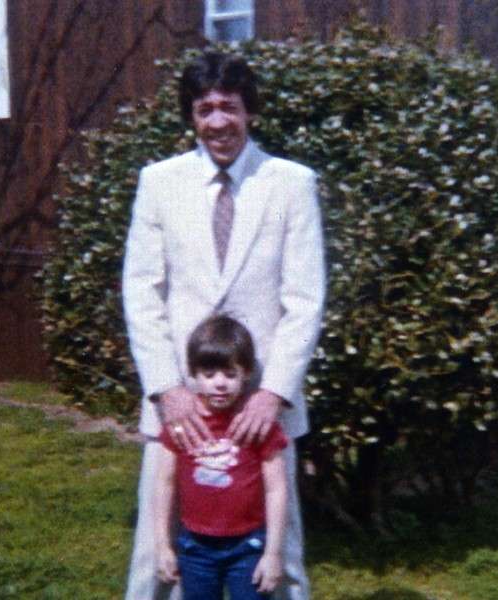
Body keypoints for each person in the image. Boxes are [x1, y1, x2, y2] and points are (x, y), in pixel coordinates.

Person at [122, 50, 325, 600]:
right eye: (204, 109)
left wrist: (273, 394)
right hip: (181, 404)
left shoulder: (290, 183)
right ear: (191, 116)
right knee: (157, 554)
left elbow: (305, 299)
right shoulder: (160, 182)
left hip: (259, 405)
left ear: (249, 111)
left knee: (279, 557)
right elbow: (142, 292)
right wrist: (167, 390)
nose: (217, 122)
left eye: (229, 107)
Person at [154, 314, 288, 599]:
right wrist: (163, 545)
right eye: (209, 374)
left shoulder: (257, 425)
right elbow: (164, 483)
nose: (220, 384)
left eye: (230, 374)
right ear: (193, 373)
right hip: (195, 547)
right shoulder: (181, 424)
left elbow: (276, 489)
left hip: (248, 546)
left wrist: (273, 553)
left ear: (246, 373)